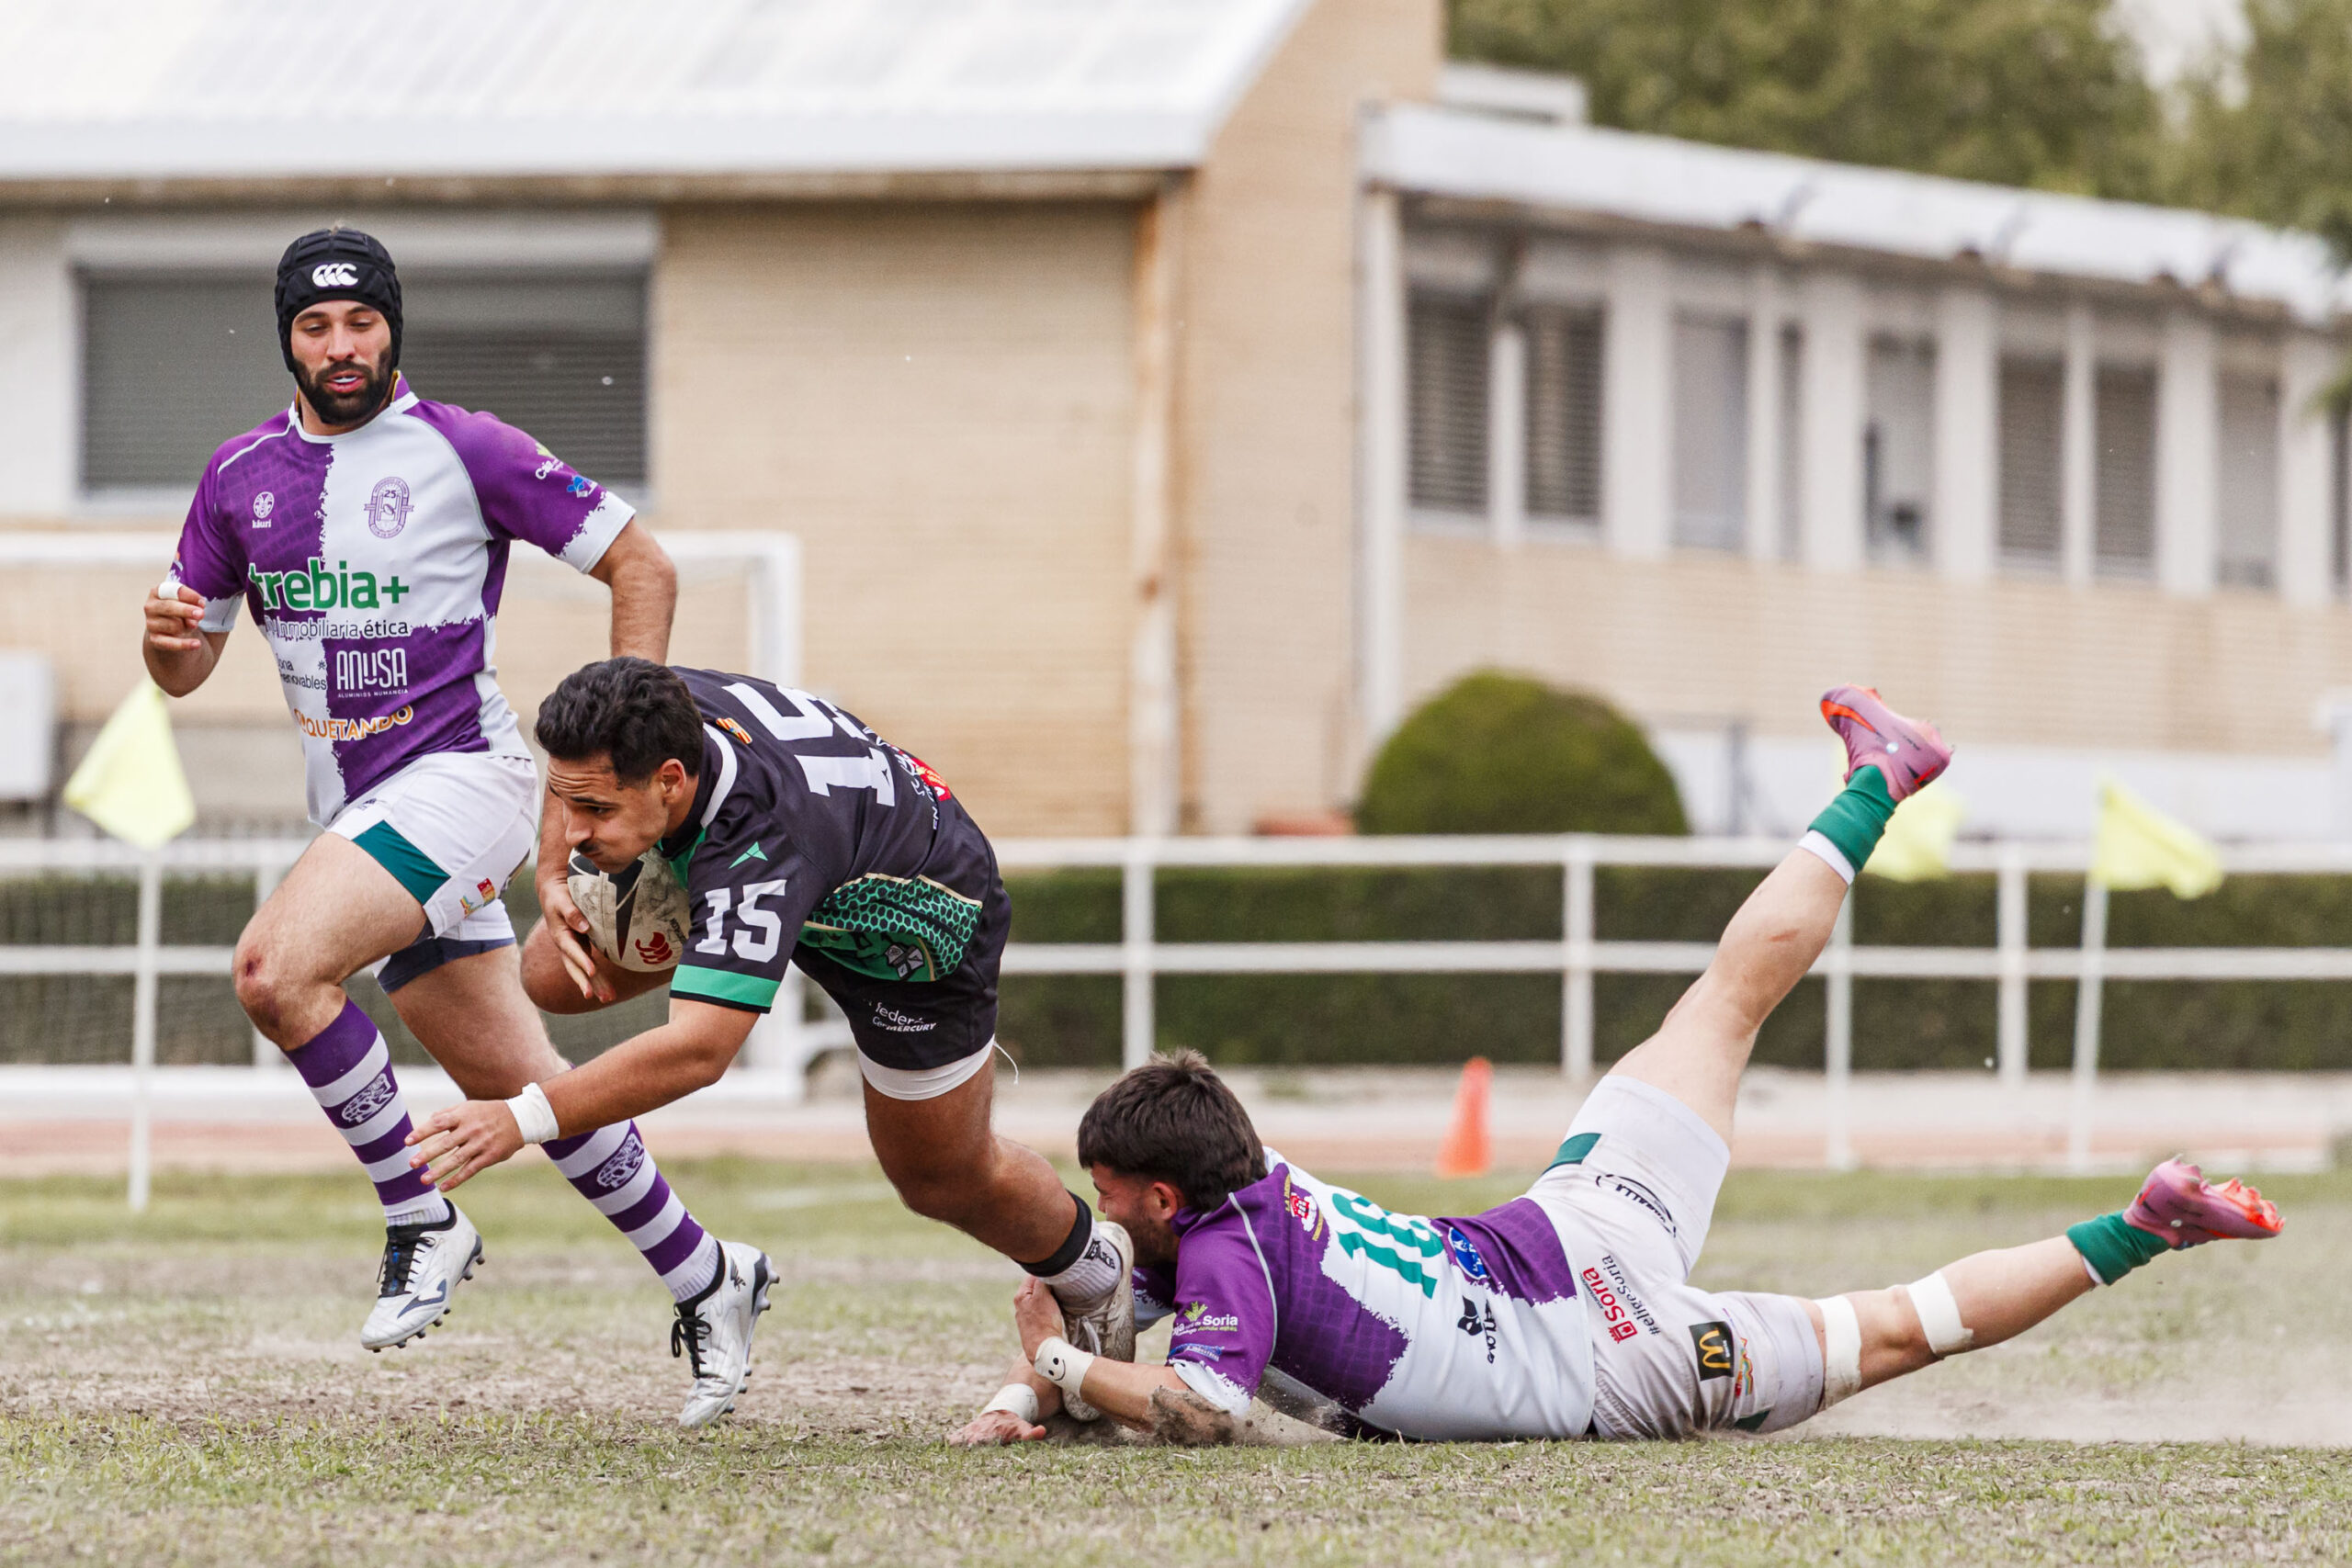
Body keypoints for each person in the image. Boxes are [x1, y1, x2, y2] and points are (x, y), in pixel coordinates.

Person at [950, 686, 2285, 1446]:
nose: (1094, 1205)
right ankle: (1876, 778)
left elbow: (1201, 1411)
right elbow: (1130, 1321)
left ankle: (2146, 1219)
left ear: (1166, 1199)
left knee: (1894, 1324)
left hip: (1607, 1355)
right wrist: (1044, 1388)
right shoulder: (1241, 1181)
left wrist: (1056, 1375)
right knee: (1722, 999)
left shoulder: (1226, 1257)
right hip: (1564, 1227)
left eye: (1105, 1187)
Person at [142, 227, 769, 1428]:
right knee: (526, 1083)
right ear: (287, 334)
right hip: (357, 801)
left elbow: (641, 560)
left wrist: (627, 739)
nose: (342, 345)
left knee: (276, 969)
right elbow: (184, 661)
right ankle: (711, 1274)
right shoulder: (237, 476)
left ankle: (420, 1211)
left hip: (466, 776)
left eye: (362, 321)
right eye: (318, 324)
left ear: (393, 327)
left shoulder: (462, 446)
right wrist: (166, 648)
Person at [401, 657, 1138, 1417]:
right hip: (808, 863)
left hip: (915, 930)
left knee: (938, 1177)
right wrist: (553, 874)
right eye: (566, 803)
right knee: (554, 970)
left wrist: (517, 1117)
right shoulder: (652, 711)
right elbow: (576, 786)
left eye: (596, 810)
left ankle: (1095, 1270)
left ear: (672, 780)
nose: (576, 828)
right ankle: (718, 935)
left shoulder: (761, 842)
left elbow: (700, 1051)